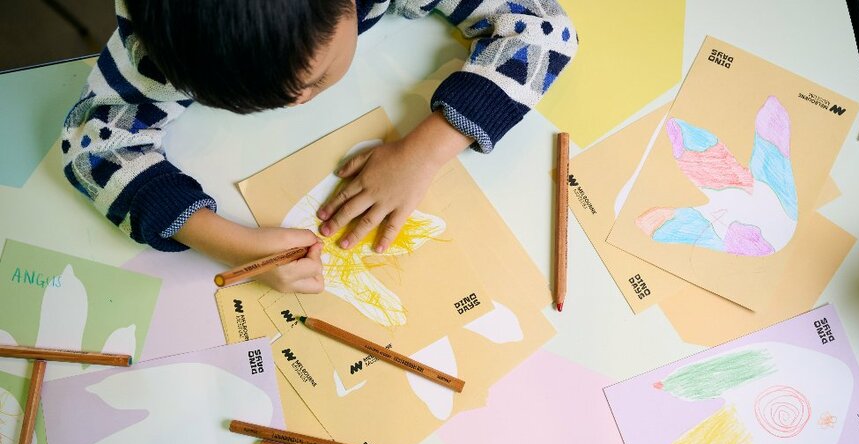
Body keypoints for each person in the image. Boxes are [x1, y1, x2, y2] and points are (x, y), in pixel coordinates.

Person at [62, 0, 577, 292]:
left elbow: (541, 30)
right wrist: (227, 243)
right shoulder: (160, 34)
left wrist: (425, 152)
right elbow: (91, 147)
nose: (296, 106)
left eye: (313, 80)